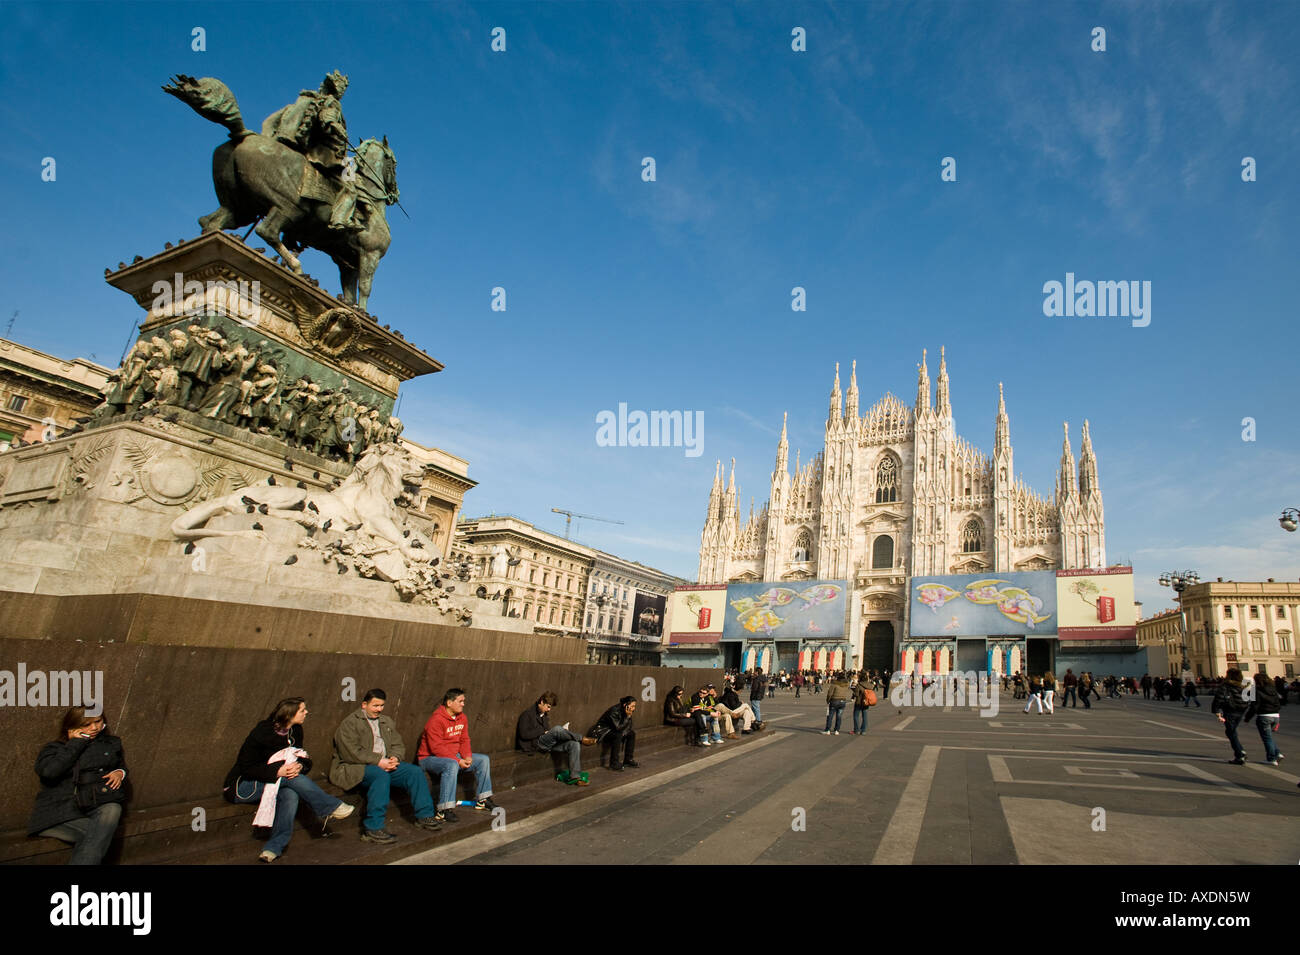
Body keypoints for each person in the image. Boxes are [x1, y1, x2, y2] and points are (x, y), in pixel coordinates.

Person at [224, 696, 355, 862]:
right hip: (243, 786)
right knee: (290, 780)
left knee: (290, 795)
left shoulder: (295, 730)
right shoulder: (262, 732)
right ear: (289, 714)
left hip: (277, 782)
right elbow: (247, 766)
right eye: (302, 710)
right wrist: (278, 771)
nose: (306, 712)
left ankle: (273, 848)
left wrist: (300, 765)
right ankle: (329, 806)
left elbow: (301, 755)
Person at [330, 688, 443, 844]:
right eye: (375, 705)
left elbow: (398, 744)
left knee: (414, 772)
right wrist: (378, 761)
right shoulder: (350, 723)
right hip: (356, 767)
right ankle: (373, 828)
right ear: (364, 705)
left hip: (385, 763)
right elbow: (351, 752)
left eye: (381, 706)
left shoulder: (386, 721)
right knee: (380, 775)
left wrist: (395, 758)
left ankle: (425, 816)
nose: (379, 709)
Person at [29, 707, 128, 865]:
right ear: (72, 727)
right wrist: (76, 743)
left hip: (94, 806)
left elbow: (121, 765)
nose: (94, 727)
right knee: (99, 835)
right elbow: (49, 772)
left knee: (112, 810)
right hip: (59, 814)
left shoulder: (111, 744)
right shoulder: (56, 748)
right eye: (87, 724)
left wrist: (119, 773)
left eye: (98, 721)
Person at [417, 688, 498, 821]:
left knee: (483, 760)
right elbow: (436, 747)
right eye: (460, 701)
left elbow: (464, 739)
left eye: (463, 701)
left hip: (454, 756)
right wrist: (457, 760)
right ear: (449, 703)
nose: (463, 704)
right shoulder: (436, 720)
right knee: (451, 764)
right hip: (430, 758)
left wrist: (467, 756)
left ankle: (483, 800)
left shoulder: (462, 718)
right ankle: (444, 810)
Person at [516, 691, 596, 785]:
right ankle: (582, 738)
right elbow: (524, 734)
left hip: (548, 744)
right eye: (548, 706)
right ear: (541, 702)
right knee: (557, 729)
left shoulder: (544, 715)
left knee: (574, 744)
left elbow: (547, 732)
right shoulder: (527, 714)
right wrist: (544, 732)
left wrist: (556, 733)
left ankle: (575, 777)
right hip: (536, 744)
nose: (549, 709)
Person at [1211, 669, 1250, 765]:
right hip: (1240, 712)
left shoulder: (1225, 686)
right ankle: (1240, 752)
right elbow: (1249, 699)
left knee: (1230, 732)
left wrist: (1216, 710)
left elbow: (1218, 699)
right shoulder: (1244, 685)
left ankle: (1240, 753)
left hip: (1230, 711)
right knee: (1231, 731)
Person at [588, 696, 638, 771]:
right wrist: (628, 717)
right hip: (603, 732)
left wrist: (626, 728)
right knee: (618, 735)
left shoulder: (627, 711)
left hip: (613, 730)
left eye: (634, 706)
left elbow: (629, 726)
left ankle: (628, 759)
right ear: (625, 705)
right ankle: (614, 763)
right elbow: (617, 728)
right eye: (632, 706)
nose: (634, 708)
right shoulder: (614, 711)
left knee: (631, 733)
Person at [1251, 672, 1284, 766]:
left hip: (1264, 716)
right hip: (1276, 716)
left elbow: (1254, 705)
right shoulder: (1273, 689)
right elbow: (1279, 702)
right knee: (1268, 737)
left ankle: (1271, 758)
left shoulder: (1256, 690)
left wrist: (1247, 718)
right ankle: (1277, 753)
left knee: (1267, 738)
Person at [851, 670, 873, 735]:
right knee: (865, 716)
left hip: (859, 702)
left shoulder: (859, 685)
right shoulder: (869, 685)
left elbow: (856, 694)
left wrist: (853, 689)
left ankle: (856, 730)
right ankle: (863, 730)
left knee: (856, 716)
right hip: (866, 702)